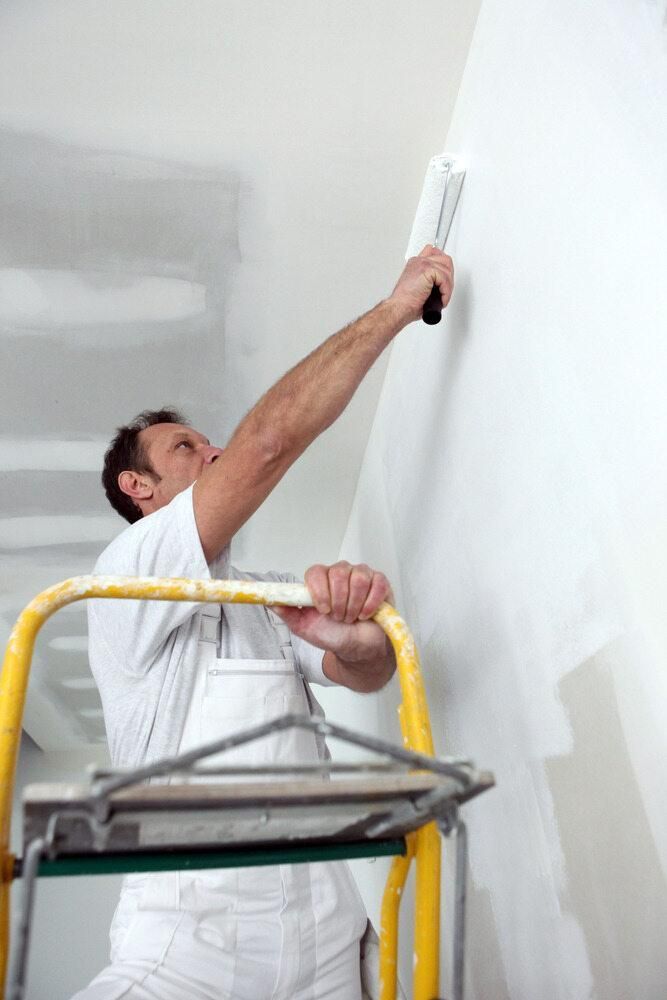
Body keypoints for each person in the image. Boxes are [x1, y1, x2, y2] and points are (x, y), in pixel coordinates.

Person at [73, 245, 454, 1000]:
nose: (212, 451)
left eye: (210, 441)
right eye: (187, 447)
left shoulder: (260, 593)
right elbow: (266, 444)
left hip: (324, 936)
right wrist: (394, 308)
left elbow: (370, 668)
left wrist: (353, 636)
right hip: (186, 940)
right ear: (137, 486)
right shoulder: (129, 571)